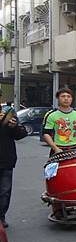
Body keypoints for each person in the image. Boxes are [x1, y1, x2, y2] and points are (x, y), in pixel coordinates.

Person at [0, 95, 27, 228]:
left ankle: (1, 217)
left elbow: (21, 134)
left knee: (4, 192)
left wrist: (14, 126)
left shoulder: (8, 113)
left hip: (6, 160)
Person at [43, 88, 76, 155]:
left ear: (72, 99)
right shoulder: (51, 114)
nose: (66, 98)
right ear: (58, 98)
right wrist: (55, 148)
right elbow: (46, 133)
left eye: (69, 96)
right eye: (63, 96)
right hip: (58, 149)